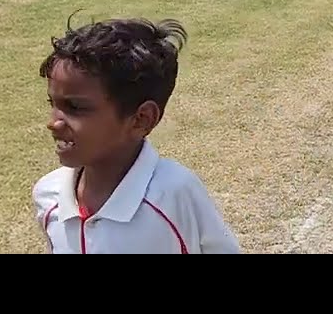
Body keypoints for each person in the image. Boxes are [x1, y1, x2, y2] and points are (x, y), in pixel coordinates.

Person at [32, 16, 242, 254]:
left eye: (76, 107)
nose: (53, 123)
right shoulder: (49, 196)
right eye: (53, 103)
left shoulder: (174, 196)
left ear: (142, 119)